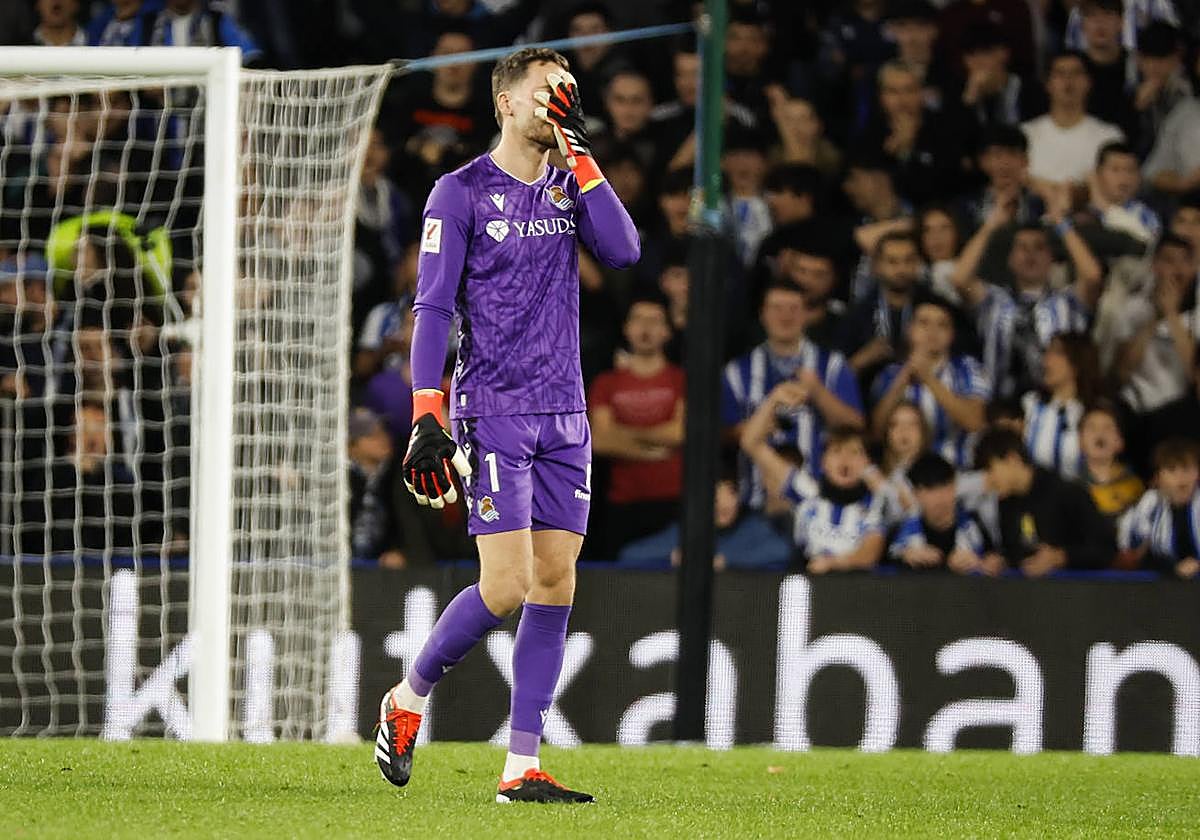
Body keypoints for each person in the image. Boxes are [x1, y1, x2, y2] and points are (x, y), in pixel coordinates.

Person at [377, 48, 638, 804]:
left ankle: (521, 767)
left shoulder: (570, 181)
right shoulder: (458, 192)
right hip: (494, 409)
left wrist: (581, 153)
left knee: (555, 581)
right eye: (547, 91)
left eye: (569, 92)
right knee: (507, 585)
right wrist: (426, 410)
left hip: (567, 413)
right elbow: (432, 307)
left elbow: (624, 252)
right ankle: (408, 697)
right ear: (506, 103)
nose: (561, 102)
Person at [722, 281, 864, 506]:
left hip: (820, 502)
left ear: (807, 314)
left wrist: (818, 392)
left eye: (794, 308)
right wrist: (754, 427)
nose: (785, 316)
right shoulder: (736, 372)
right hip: (757, 502)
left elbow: (855, 426)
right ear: (762, 314)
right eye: (776, 308)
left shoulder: (833, 366)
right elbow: (723, 435)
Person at [588, 296, 686, 556]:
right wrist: (651, 450)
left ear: (667, 331)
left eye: (654, 321)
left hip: (673, 500)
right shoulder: (606, 383)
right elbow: (600, 440)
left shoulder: (681, 379)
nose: (645, 328)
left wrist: (624, 434)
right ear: (626, 328)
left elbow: (679, 433)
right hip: (623, 503)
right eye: (638, 319)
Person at [742, 411, 885, 574]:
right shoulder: (807, 491)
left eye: (854, 452)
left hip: (856, 586)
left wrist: (833, 563)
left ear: (867, 463)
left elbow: (870, 554)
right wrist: (775, 400)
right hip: (805, 583)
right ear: (823, 462)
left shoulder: (874, 504)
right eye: (837, 451)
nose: (845, 460)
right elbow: (751, 443)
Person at [973, 427, 1115, 576]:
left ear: (1012, 459)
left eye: (990, 470)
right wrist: (1002, 561)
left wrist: (1061, 557)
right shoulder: (1007, 503)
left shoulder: (1067, 493)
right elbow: (1016, 551)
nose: (987, 481)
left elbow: (1106, 549)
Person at [871, 291, 991, 468]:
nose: (932, 331)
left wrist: (928, 378)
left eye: (942, 325)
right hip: (904, 473)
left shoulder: (967, 368)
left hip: (957, 471)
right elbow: (877, 431)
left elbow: (975, 421)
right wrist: (902, 379)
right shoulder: (889, 374)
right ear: (910, 330)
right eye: (924, 323)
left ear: (951, 334)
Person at [1111, 234, 1199, 472]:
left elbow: (1194, 372)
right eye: (1169, 261)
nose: (1177, 269)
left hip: (1180, 416)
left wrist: (1171, 315)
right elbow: (1122, 371)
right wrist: (1154, 320)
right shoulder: (1132, 309)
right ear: (1154, 265)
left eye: (1184, 261)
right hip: (1136, 411)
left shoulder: (1198, 315)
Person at [615, 469, 791, 571]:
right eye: (715, 499)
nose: (723, 506)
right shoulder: (686, 530)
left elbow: (782, 551)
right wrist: (673, 556)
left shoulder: (753, 527)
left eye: (730, 494)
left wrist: (724, 560)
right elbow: (630, 555)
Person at [1021, 52, 1124, 193]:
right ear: (1048, 84)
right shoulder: (1025, 134)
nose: (1068, 81)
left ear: (1088, 82)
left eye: (1076, 73)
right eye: (1060, 74)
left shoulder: (1109, 136)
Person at [889, 452, 992, 572]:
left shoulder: (976, 523)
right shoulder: (900, 529)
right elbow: (883, 560)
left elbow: (995, 559)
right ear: (916, 493)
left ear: (955, 487)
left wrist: (980, 563)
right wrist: (903, 557)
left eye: (945, 487)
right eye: (931, 490)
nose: (940, 498)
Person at [1021, 332, 1102, 481]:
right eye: (1047, 352)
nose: (1046, 360)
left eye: (1057, 353)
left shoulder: (1096, 413)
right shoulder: (1029, 405)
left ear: (1077, 364)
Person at [1118, 437, 1200, 578]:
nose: (1181, 477)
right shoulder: (1149, 505)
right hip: (1161, 585)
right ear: (1158, 477)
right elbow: (1136, 554)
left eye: (1187, 469)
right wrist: (1173, 568)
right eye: (1172, 470)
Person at [348, 408, 407, 569]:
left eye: (383, 432)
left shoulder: (398, 473)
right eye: (372, 436)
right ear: (352, 446)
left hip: (384, 565)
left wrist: (402, 551)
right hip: (344, 562)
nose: (383, 439)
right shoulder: (340, 479)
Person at [1079, 400, 1145, 529]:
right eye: (1092, 428)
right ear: (1080, 440)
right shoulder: (1071, 489)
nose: (1099, 434)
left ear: (1120, 441)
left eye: (1108, 428)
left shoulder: (1135, 487)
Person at [1089, 141, 1160, 245]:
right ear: (1097, 173)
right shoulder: (1080, 206)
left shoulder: (1146, 216)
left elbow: (1145, 242)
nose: (1124, 177)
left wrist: (1104, 206)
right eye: (1115, 170)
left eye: (1130, 170)